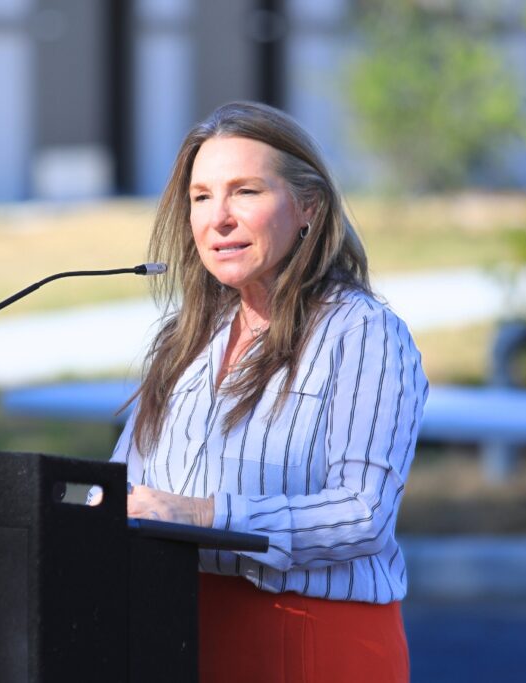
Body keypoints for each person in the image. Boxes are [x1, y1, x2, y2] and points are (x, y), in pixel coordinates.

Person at [112, 101, 428, 683]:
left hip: (309, 643)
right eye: (201, 197)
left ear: (308, 205)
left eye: (246, 192)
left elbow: (363, 513)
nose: (218, 218)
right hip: (176, 632)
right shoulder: (187, 338)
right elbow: (126, 488)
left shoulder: (361, 332)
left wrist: (202, 515)